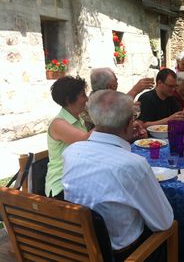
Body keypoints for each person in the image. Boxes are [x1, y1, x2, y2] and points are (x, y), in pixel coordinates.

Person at [62, 90, 173, 261]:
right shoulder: (133, 164)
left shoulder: (71, 152)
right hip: (124, 255)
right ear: (130, 123)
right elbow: (163, 223)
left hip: (81, 246)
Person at [46, 76, 92, 200]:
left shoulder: (78, 119)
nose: (87, 99)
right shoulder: (58, 124)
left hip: (77, 179)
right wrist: (109, 120)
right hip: (61, 186)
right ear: (69, 100)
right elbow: (85, 140)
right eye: (83, 95)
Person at [87, 67, 150, 139]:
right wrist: (134, 91)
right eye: (116, 80)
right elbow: (114, 122)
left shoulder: (96, 98)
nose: (117, 82)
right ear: (109, 87)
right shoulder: (97, 102)